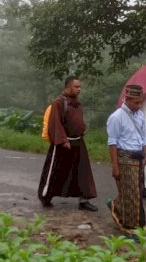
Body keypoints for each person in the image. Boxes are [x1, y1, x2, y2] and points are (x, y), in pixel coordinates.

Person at [38, 76, 98, 211]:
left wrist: (82, 129)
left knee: (83, 172)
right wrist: (63, 140)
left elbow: (77, 119)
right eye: (76, 87)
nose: (79, 89)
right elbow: (55, 123)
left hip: (78, 142)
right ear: (68, 86)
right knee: (55, 171)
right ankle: (46, 196)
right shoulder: (58, 103)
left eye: (80, 87)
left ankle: (84, 200)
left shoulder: (77, 102)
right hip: (63, 144)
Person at [106, 85, 146, 241]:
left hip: (138, 158)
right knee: (131, 194)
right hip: (124, 159)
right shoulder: (116, 117)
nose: (139, 105)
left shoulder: (140, 115)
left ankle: (116, 206)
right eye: (136, 102)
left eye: (140, 102)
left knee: (137, 191)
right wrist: (115, 166)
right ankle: (129, 228)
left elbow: (144, 137)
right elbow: (112, 143)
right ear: (127, 99)